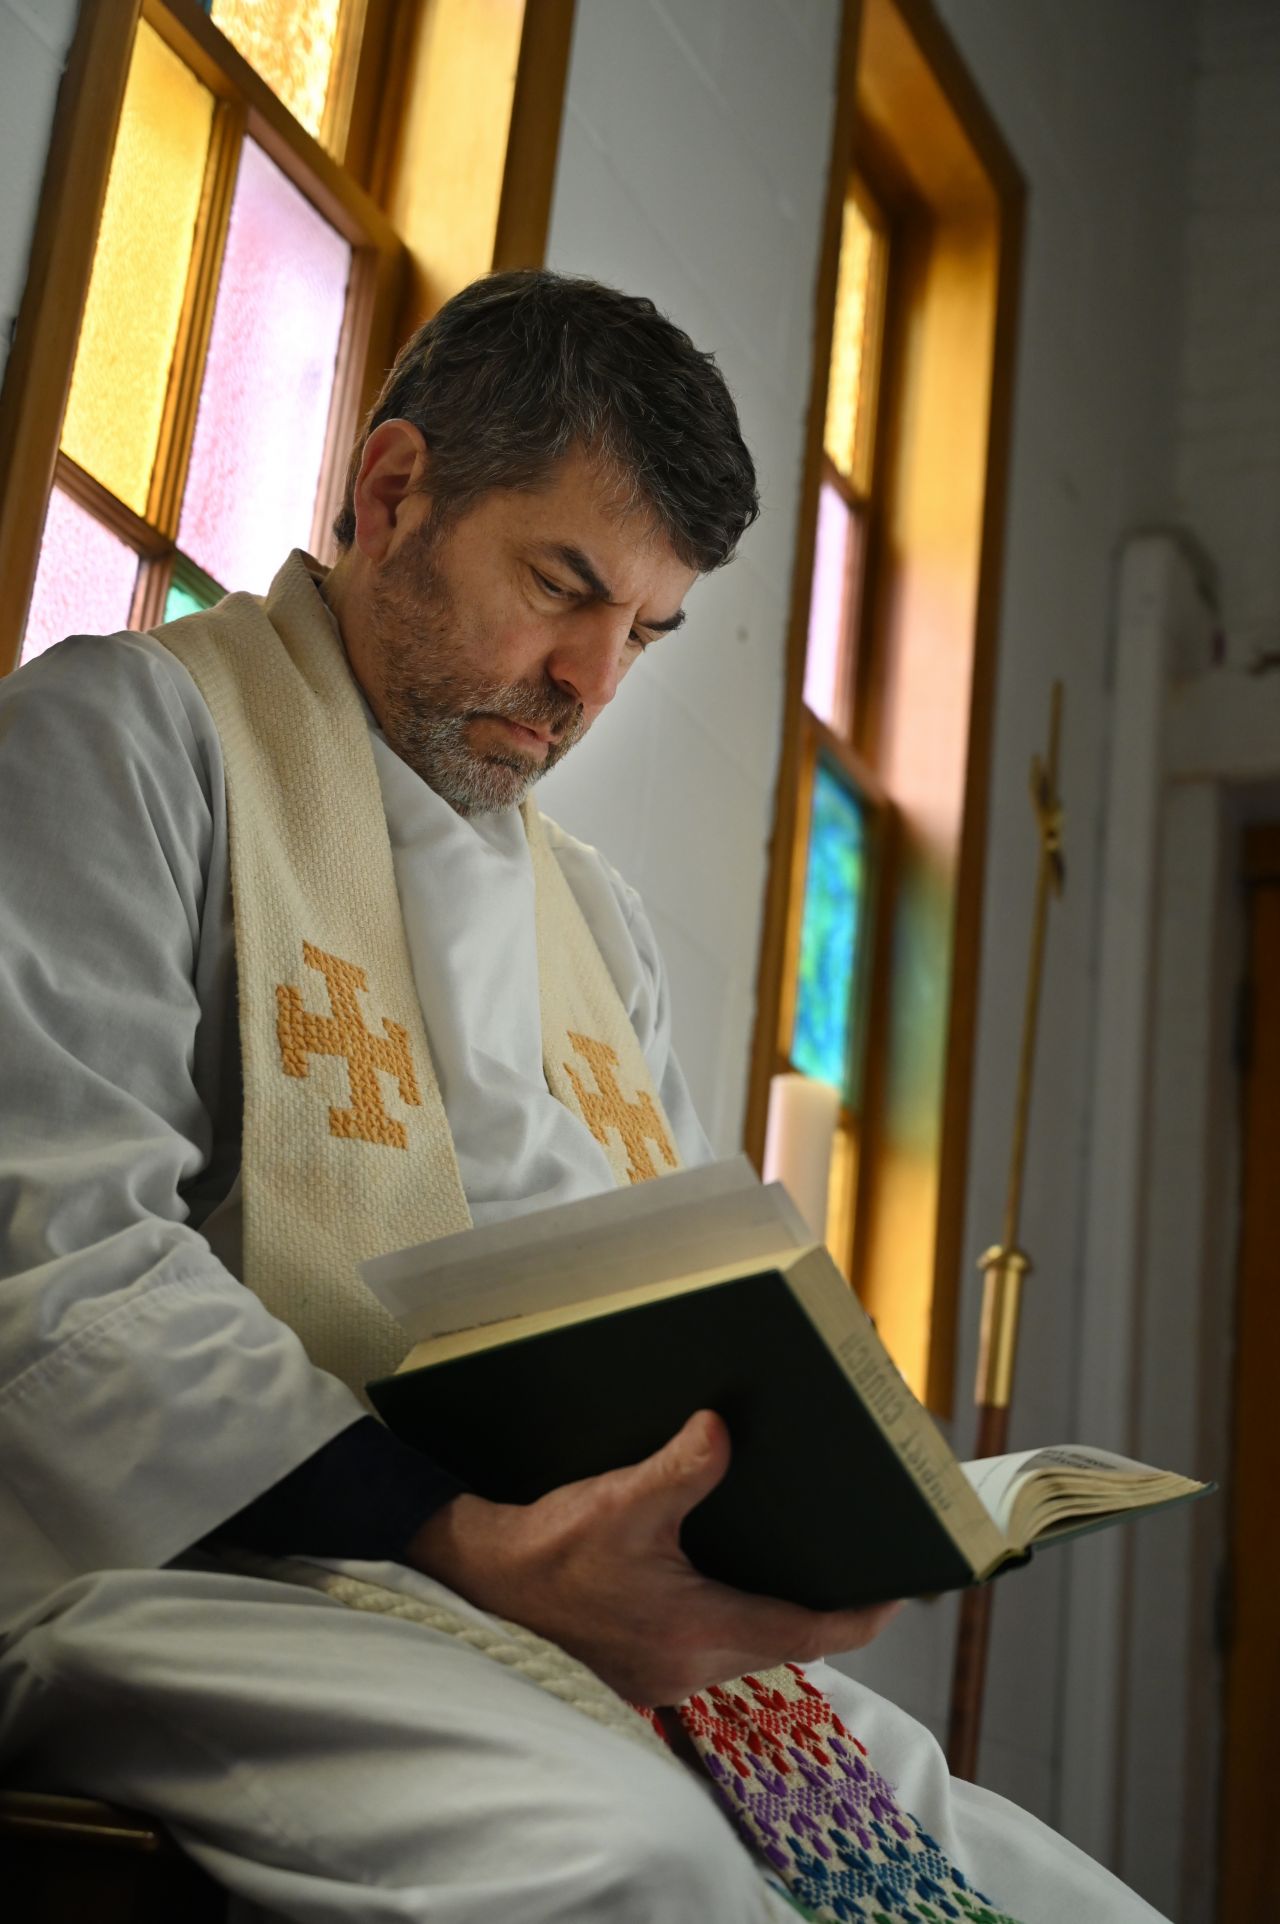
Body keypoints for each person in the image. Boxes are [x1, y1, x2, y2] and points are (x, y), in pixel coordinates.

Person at [0, 271, 1164, 1923]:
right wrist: (457, 1538)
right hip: (188, 1570)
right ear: (394, 491)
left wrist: (783, 1500)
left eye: (646, 632)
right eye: (564, 588)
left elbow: (664, 1306)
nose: (589, 682)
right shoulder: (119, 743)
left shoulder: (592, 921)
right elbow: (58, 1267)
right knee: (637, 1868)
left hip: (550, 1604)